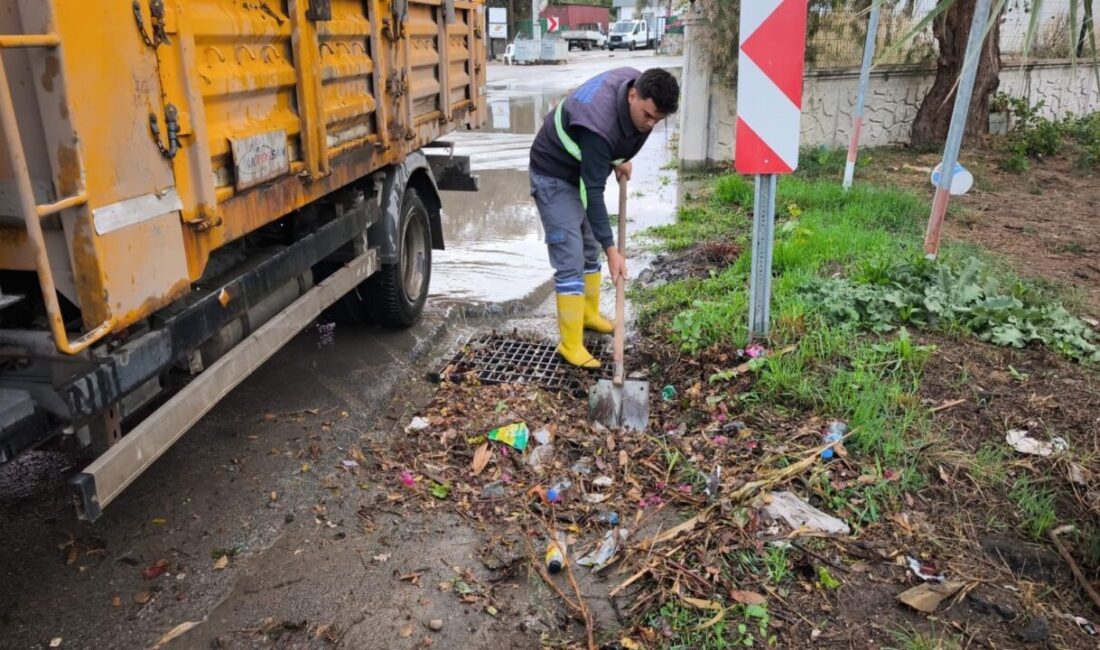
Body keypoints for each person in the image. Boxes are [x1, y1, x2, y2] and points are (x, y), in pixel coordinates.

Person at [529, 67, 680, 368]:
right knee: (570, 255)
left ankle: (588, 315)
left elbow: (611, 148)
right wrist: (613, 251)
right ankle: (570, 344)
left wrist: (618, 160)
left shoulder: (635, 82)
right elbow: (593, 192)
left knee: (588, 246)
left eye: (658, 120)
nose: (650, 124)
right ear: (633, 95)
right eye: (648, 115)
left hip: (583, 166)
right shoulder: (598, 125)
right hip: (553, 174)